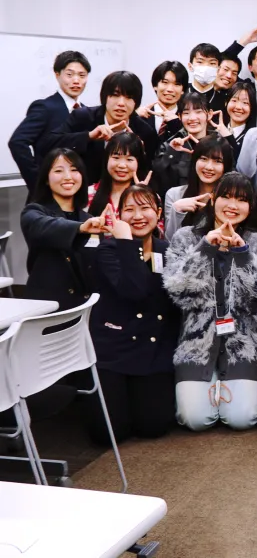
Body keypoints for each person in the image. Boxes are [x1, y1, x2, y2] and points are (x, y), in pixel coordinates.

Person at [164, 172, 257, 432]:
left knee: (241, 419)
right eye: (226, 197)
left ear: (250, 207)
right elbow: (179, 292)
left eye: (242, 200)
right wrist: (205, 249)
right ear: (213, 199)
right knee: (195, 420)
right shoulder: (186, 237)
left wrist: (242, 255)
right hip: (196, 342)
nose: (233, 205)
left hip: (245, 343)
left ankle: (239, 386)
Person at [86, 185, 178, 444]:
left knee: (154, 426)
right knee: (107, 434)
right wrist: (126, 242)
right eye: (129, 209)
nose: (138, 216)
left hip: (154, 349)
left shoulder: (167, 250)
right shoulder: (108, 250)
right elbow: (134, 290)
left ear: (158, 213)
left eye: (145, 208)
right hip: (115, 348)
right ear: (119, 215)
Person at [21, 149, 104, 310]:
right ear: (46, 179)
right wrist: (80, 228)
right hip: (46, 308)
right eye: (59, 171)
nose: (68, 176)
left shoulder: (88, 218)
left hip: (83, 309)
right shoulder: (33, 212)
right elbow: (44, 226)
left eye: (74, 170)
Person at [51, 71, 159, 184]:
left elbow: (148, 172)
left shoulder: (144, 132)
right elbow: (48, 143)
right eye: (115, 95)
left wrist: (140, 152)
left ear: (136, 103)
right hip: (83, 188)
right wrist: (89, 136)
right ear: (105, 97)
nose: (121, 103)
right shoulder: (83, 118)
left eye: (129, 97)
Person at [11, 50, 90, 189]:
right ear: (57, 75)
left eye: (82, 75)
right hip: (47, 193)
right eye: (69, 75)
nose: (76, 81)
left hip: (78, 192)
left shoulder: (86, 112)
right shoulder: (45, 107)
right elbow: (17, 142)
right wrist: (38, 181)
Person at [164, 134, 232, 241]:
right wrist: (177, 211)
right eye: (203, 159)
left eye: (218, 161)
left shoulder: (232, 200)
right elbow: (169, 242)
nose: (209, 167)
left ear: (226, 166)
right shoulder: (174, 195)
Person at [152, 92, 214, 198]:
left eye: (198, 112)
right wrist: (171, 152)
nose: (192, 118)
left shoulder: (219, 144)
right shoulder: (169, 145)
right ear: (179, 116)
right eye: (186, 113)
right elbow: (157, 177)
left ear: (209, 114)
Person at [86, 132, 146, 224]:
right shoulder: (88, 194)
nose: (122, 165)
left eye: (129, 159)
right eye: (116, 157)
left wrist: (142, 195)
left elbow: (157, 230)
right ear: (107, 159)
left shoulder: (148, 198)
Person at [137, 61, 186, 138]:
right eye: (165, 82)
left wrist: (176, 123)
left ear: (183, 90)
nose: (170, 89)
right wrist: (134, 117)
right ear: (155, 85)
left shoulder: (186, 119)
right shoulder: (140, 116)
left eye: (177, 84)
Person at [211, 82, 256, 165]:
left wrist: (227, 135)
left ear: (252, 107)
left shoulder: (254, 138)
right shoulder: (213, 131)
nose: (238, 107)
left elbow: (242, 164)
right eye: (234, 100)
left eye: (245, 103)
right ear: (226, 103)